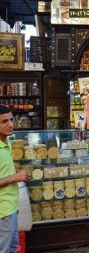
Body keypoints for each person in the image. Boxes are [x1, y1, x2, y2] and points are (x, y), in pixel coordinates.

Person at [0, 105, 31, 253]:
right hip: (2, 211)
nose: (10, 124)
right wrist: (15, 177)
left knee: (12, 248)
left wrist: (16, 173)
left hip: (11, 207)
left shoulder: (6, 143)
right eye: (4, 121)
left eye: (11, 120)